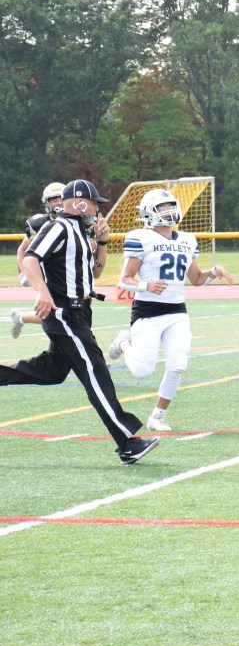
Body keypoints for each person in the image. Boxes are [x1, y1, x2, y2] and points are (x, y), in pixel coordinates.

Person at [0, 179, 159, 464]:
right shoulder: (59, 226)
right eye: (95, 203)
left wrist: (102, 241)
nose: (98, 210)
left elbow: (96, 274)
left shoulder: (78, 231)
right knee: (95, 371)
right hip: (65, 313)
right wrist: (43, 292)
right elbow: (30, 260)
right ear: (81, 203)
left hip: (80, 312)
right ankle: (127, 442)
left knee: (51, 371)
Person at [107, 188, 233, 432]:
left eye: (170, 206)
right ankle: (124, 341)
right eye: (161, 207)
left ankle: (158, 416)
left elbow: (196, 279)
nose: (168, 211)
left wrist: (214, 272)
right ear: (148, 212)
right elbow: (125, 279)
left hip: (177, 312)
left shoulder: (187, 239)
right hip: (147, 311)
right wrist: (146, 285)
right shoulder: (141, 237)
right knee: (142, 371)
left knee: (177, 364)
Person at [10, 182, 64, 339]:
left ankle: (20, 318)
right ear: (47, 203)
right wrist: (23, 274)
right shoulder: (39, 224)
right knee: (60, 316)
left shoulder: (78, 220)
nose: (59, 202)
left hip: (68, 274)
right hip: (49, 277)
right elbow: (22, 250)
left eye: (61, 198)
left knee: (61, 316)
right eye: (54, 200)